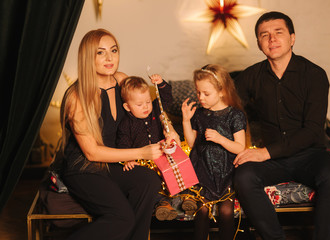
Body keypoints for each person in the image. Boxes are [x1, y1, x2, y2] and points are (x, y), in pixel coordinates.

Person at [233, 11, 330, 240]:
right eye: (264, 35)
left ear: (292, 38)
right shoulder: (251, 76)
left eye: (278, 32)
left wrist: (264, 153)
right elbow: (226, 107)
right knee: (243, 176)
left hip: (309, 155)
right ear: (258, 43)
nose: (271, 39)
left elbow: (313, 131)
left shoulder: (314, 75)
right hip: (273, 161)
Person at [59, 29, 165, 240]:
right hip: (84, 168)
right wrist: (141, 153)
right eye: (100, 53)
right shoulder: (77, 96)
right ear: (88, 57)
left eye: (113, 50)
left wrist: (167, 129)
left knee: (149, 181)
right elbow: (91, 153)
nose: (109, 58)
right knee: (121, 217)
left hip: (113, 163)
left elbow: (146, 112)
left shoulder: (122, 80)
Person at [182, 64, 247, 240]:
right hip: (203, 171)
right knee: (201, 211)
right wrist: (186, 121)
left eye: (206, 93)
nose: (200, 98)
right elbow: (192, 143)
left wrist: (221, 139)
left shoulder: (235, 115)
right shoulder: (200, 114)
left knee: (226, 212)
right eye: (198, 92)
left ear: (221, 91)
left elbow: (240, 147)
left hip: (227, 172)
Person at [116, 75, 190, 221]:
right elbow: (123, 143)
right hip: (145, 161)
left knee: (180, 167)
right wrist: (129, 160)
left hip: (162, 155)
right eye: (139, 104)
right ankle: (162, 204)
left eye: (148, 102)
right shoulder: (126, 124)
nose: (145, 107)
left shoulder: (155, 111)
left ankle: (187, 196)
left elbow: (166, 98)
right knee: (152, 181)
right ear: (127, 106)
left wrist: (161, 83)